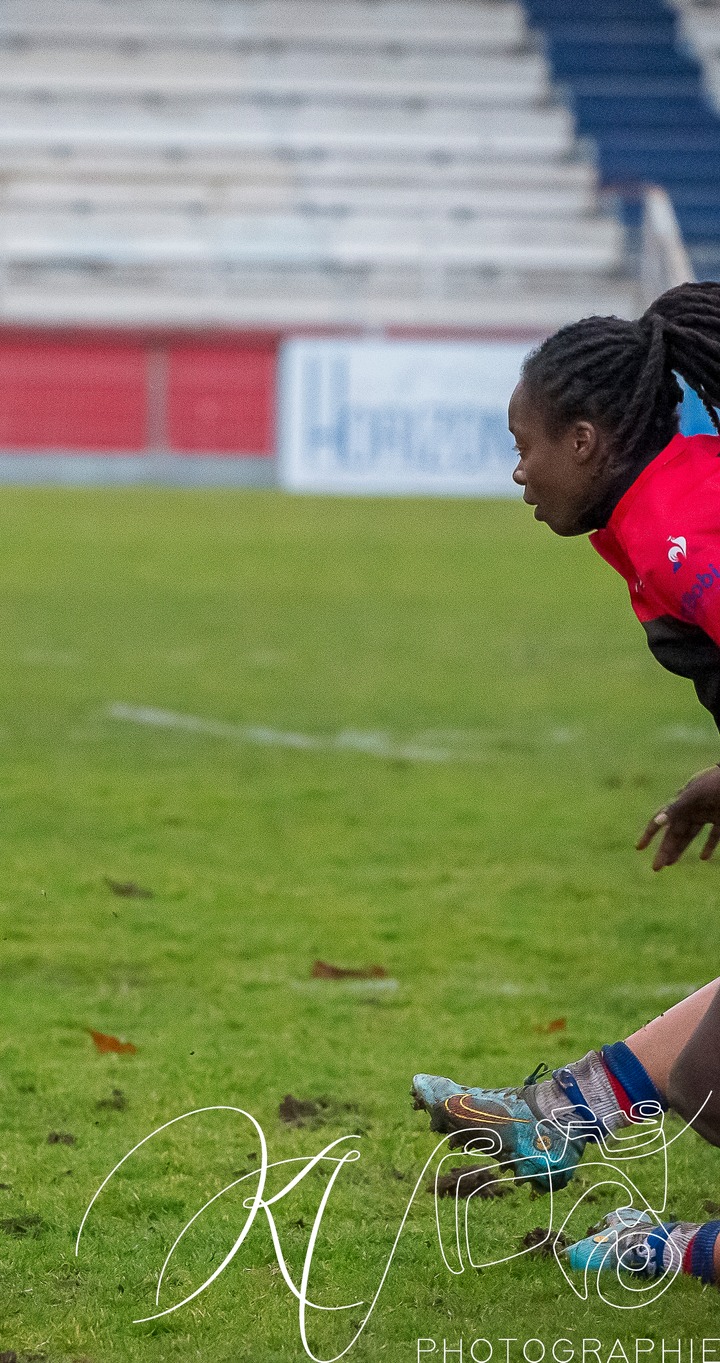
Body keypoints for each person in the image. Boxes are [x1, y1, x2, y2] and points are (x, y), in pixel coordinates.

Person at [412, 282, 720, 1283]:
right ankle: (555, 1121)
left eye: (524, 443)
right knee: (711, 1080)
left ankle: (660, 1243)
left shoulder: (680, 533)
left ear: (585, 440)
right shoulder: (663, 513)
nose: (516, 470)